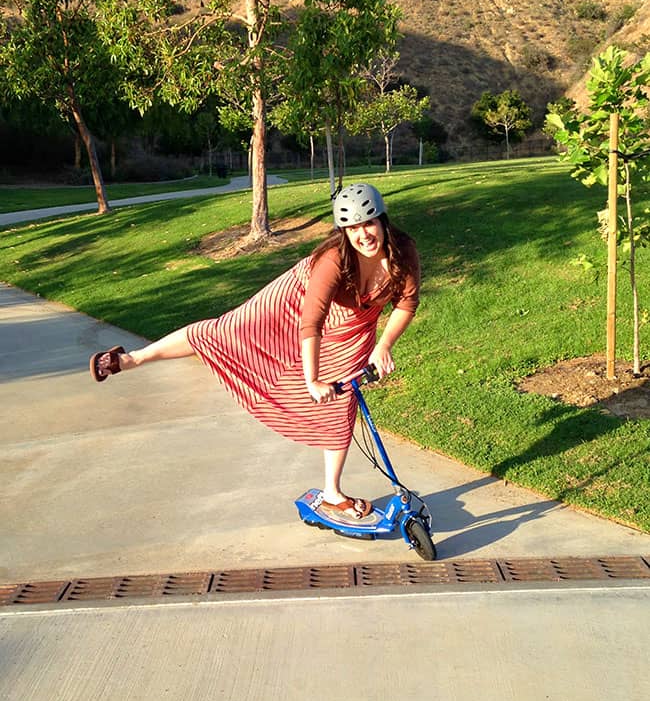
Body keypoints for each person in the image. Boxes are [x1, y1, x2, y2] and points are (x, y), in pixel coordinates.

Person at [90, 182, 420, 521]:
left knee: (342, 402)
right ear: (343, 231)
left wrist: (383, 346)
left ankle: (332, 494)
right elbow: (312, 322)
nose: (363, 234)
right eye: (352, 227)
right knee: (222, 332)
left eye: (368, 223)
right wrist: (311, 379)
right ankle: (132, 359)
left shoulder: (403, 251)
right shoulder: (332, 260)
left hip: (354, 326)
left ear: (382, 220)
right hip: (295, 301)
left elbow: (406, 302)